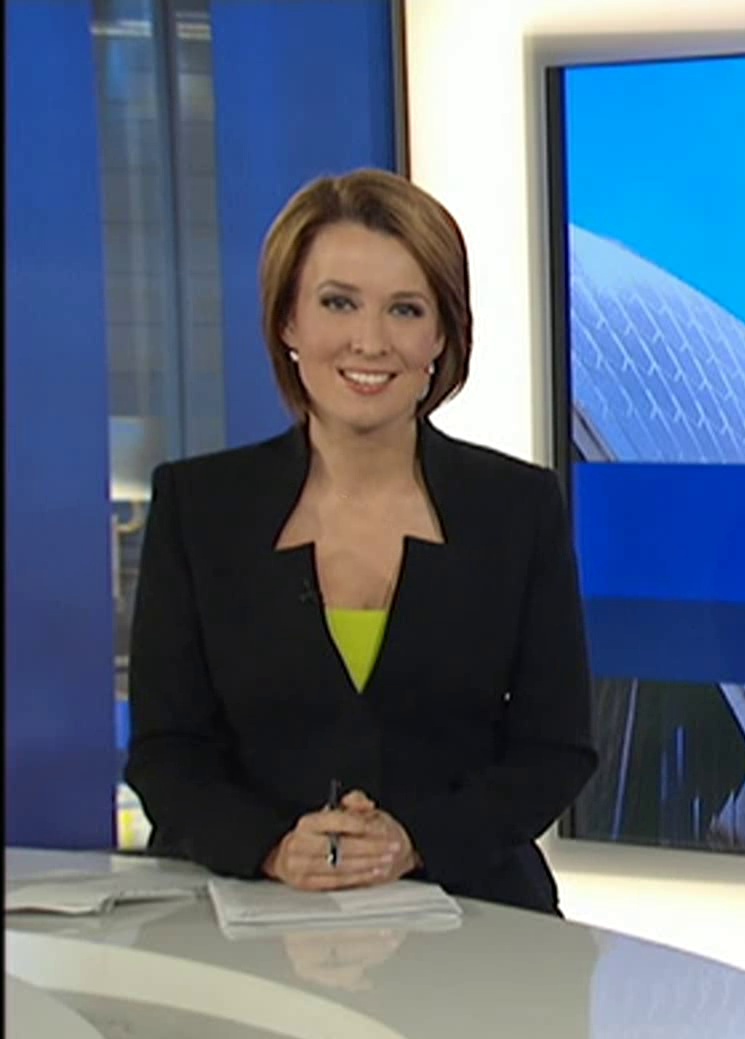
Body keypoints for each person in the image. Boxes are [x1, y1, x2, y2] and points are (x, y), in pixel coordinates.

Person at [125, 169, 598, 915]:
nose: (370, 341)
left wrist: (413, 842)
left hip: (476, 921)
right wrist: (273, 847)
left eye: (405, 309)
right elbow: (166, 751)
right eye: (338, 302)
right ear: (288, 322)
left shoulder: (517, 508)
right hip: (247, 921)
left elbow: (555, 750)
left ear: (441, 335)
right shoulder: (200, 507)